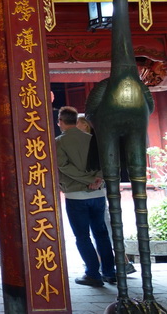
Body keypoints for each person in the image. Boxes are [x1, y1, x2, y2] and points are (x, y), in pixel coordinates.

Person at [55, 106, 116, 287]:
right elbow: (107, 161)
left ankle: (92, 274)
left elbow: (63, 166)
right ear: (75, 120)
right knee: (102, 234)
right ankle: (110, 272)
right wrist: (97, 178)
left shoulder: (58, 142)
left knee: (82, 236)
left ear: (60, 122)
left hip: (75, 195)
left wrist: (88, 179)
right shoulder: (93, 139)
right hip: (98, 193)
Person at [77, 114, 137, 276]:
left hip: (96, 189)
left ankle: (120, 262)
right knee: (101, 227)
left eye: (78, 124)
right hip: (96, 189)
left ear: (85, 125)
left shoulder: (92, 142)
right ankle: (110, 262)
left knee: (103, 226)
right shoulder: (91, 141)